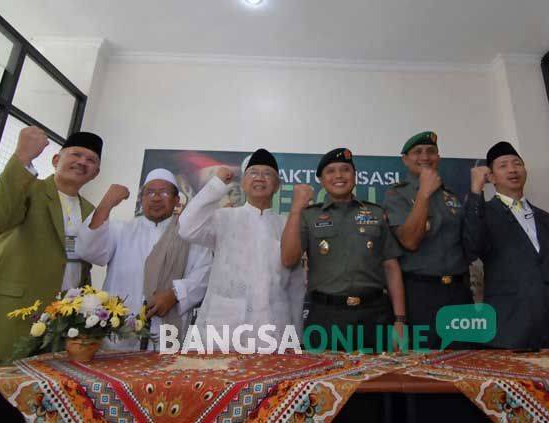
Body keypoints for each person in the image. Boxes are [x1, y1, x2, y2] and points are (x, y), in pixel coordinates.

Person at [0, 126, 102, 363]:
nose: (82, 162)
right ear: (56, 159)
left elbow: (82, 267)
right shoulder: (29, 189)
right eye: (76, 154)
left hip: (58, 328)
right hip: (8, 316)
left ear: (95, 173)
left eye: (91, 160)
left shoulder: (90, 211)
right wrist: (22, 158)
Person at [281, 148, 406, 352]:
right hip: (325, 317)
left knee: (379, 380)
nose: (338, 175)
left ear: (355, 177)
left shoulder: (375, 213)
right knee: (322, 380)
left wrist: (400, 320)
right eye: (330, 171)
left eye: (345, 170)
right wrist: (295, 209)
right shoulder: (308, 216)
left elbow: (391, 267)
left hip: (374, 315)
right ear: (321, 180)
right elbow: (288, 258)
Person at [179, 149, 305, 348]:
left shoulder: (287, 225)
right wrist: (217, 185)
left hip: (273, 330)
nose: (260, 178)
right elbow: (186, 228)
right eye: (253, 172)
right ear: (244, 182)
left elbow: (296, 286)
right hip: (223, 328)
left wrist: (295, 336)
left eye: (267, 174)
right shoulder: (224, 218)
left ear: (278, 185)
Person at [77, 168, 212, 350]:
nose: (156, 198)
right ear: (142, 198)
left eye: (164, 192)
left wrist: (175, 294)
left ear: (176, 200)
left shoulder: (190, 236)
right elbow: (87, 250)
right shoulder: (120, 231)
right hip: (119, 333)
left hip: (168, 334)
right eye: (150, 192)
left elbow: (204, 276)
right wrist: (107, 203)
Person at [463, 141, 549, 349]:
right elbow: (473, 246)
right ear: (491, 177)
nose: (512, 169)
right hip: (512, 326)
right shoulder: (483, 213)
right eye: (503, 165)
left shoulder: (547, 219)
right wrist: (475, 191)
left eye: (517, 163)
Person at [383, 131, 473, 350]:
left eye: (431, 151)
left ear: (438, 157)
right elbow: (409, 241)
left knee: (466, 361)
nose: (425, 156)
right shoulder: (397, 195)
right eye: (417, 152)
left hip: (459, 294)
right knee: (423, 370)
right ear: (405, 159)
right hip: (421, 295)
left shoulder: (451, 196)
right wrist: (423, 193)